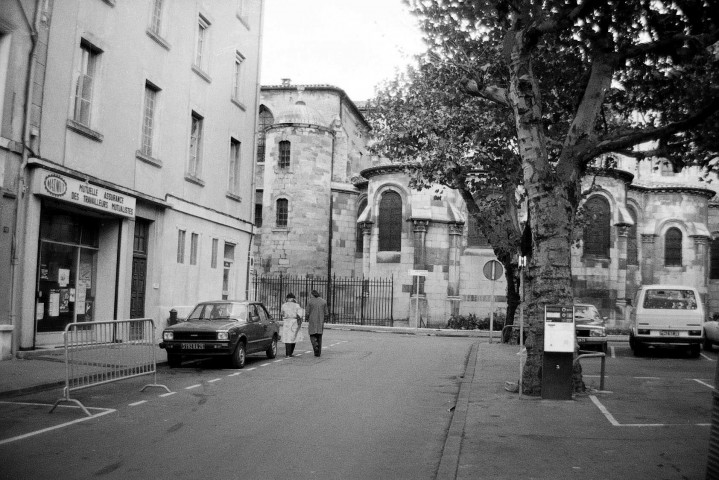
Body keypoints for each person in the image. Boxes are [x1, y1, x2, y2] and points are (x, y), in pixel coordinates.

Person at [305, 290, 328, 357]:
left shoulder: (310, 301)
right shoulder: (323, 301)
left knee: (312, 334)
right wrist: (325, 319)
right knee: (319, 336)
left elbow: (307, 312)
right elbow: (326, 312)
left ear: (312, 294)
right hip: (320, 321)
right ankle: (318, 353)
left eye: (310, 294)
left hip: (312, 320)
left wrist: (306, 318)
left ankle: (315, 345)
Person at [281, 293, 304, 357]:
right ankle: (290, 353)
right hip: (294, 321)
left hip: (286, 321)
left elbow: (282, 313)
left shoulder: (284, 305)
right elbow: (300, 315)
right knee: (294, 337)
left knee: (287, 337)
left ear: (287, 298)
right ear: (293, 298)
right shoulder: (297, 305)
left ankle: (287, 353)